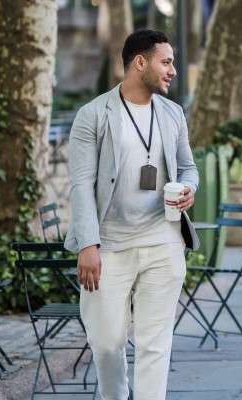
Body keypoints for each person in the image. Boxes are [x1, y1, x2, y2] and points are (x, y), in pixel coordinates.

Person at [64, 29, 199, 400]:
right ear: (140, 63)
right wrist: (87, 244)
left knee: (155, 344)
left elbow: (188, 168)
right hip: (108, 246)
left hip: (162, 241)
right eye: (166, 61)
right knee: (107, 343)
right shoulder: (92, 115)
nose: (173, 70)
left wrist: (189, 189)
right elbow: (80, 184)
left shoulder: (172, 113)